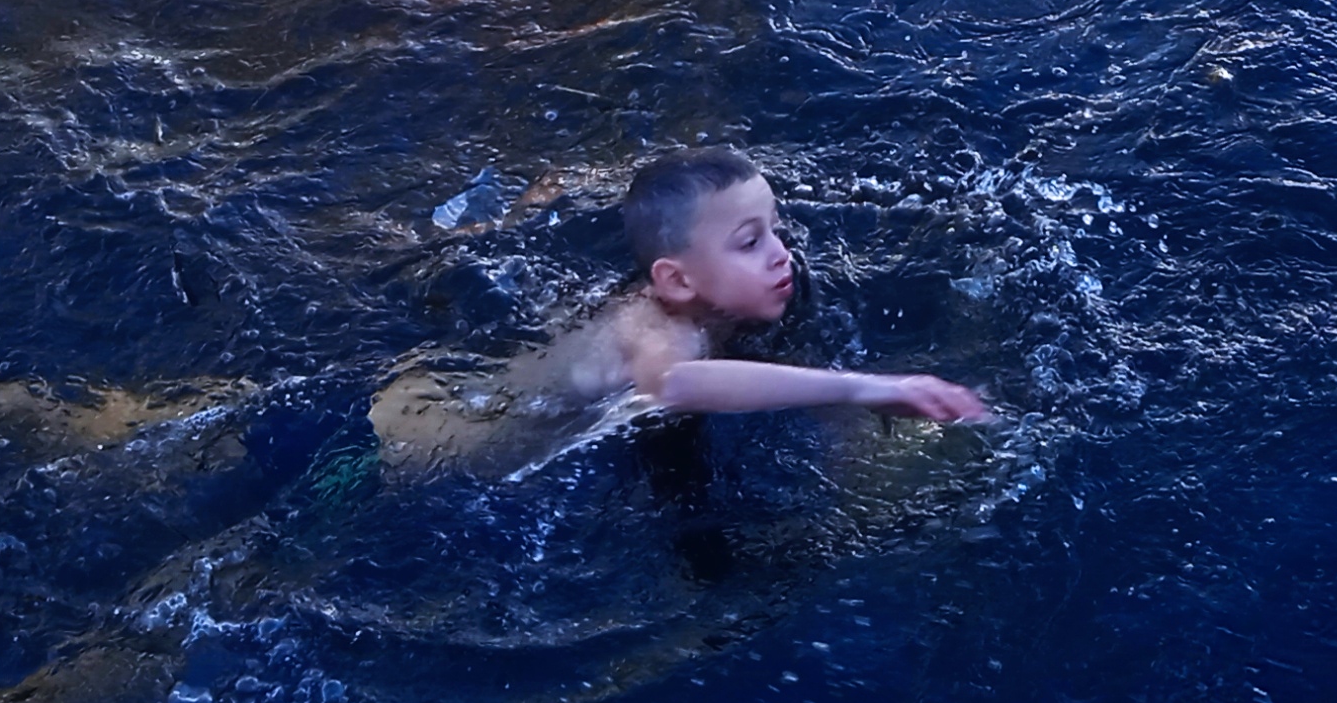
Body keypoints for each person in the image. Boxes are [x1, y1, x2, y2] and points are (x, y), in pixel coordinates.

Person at [369, 147, 993, 480]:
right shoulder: (657, 327)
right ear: (677, 279)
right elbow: (676, 385)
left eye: (775, 230)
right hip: (419, 439)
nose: (783, 255)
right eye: (749, 243)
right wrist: (866, 389)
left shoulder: (708, 305)